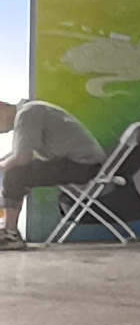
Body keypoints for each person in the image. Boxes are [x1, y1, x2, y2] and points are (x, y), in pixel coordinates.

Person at [2, 97, 106, 243]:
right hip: (85, 163)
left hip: (82, 165)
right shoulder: (31, 109)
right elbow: (21, 152)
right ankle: (10, 229)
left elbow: (22, 158)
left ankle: (10, 233)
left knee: (14, 175)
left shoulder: (27, 114)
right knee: (17, 173)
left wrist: (3, 167)